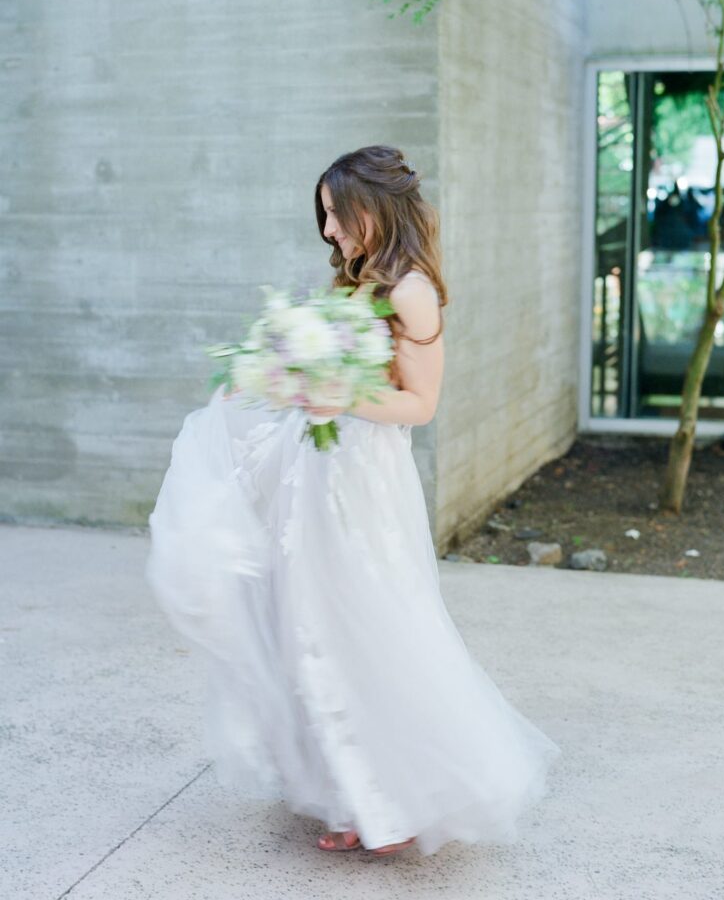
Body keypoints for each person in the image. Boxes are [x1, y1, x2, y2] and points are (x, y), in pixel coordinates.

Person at [146, 144, 561, 858]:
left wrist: (341, 392)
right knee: (309, 624)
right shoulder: (361, 279)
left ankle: (396, 799)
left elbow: (421, 404)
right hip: (317, 474)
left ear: (373, 207)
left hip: (364, 483)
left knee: (369, 623)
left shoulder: (411, 290)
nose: (330, 232)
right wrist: (282, 375)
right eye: (327, 220)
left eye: (336, 215)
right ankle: (352, 791)